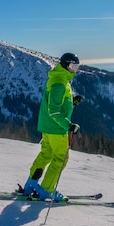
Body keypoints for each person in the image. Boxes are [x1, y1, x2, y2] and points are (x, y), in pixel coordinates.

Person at [21, 53, 83, 202]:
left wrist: (72, 103)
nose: (76, 70)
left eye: (77, 67)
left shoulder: (60, 79)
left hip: (48, 126)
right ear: (66, 65)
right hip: (56, 128)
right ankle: (46, 190)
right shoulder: (59, 83)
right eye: (74, 66)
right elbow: (54, 111)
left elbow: (57, 105)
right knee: (61, 158)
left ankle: (30, 185)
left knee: (46, 155)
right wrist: (69, 125)